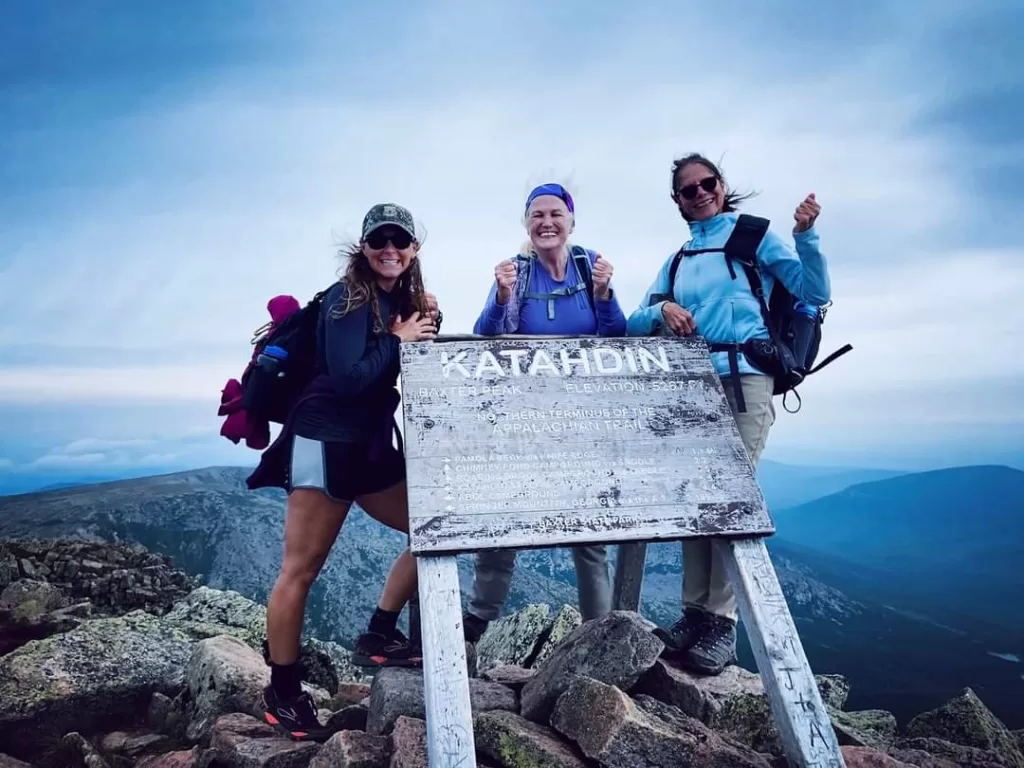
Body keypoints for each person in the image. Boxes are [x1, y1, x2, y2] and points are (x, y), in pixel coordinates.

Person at [625, 154, 831, 676]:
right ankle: (695, 614)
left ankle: (721, 622)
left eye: (706, 184)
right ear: (677, 201)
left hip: (746, 377)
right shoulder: (678, 260)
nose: (698, 194)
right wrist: (661, 311)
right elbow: (632, 322)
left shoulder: (752, 236)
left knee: (729, 500)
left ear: (722, 186)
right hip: (692, 383)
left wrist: (805, 236)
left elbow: (814, 293)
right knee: (697, 500)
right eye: (687, 190)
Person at [247, 203, 439, 740]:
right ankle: (282, 694)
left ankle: (378, 634)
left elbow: (388, 358)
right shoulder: (346, 298)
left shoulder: (392, 299)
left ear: (413, 248)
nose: (390, 249)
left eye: (399, 240)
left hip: (368, 447)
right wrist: (398, 340)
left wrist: (417, 325)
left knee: (433, 528)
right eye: (379, 240)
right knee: (300, 570)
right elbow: (350, 378)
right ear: (363, 246)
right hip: (324, 441)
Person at [464, 182, 627, 643]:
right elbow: (487, 334)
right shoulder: (516, 272)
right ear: (526, 224)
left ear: (571, 222)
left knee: (589, 532)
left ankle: (598, 632)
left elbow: (616, 335)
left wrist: (604, 293)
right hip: (523, 417)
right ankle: (479, 617)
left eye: (555, 213)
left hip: (583, 418)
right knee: (503, 513)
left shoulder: (588, 266)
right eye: (537, 215)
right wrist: (499, 296)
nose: (547, 222)